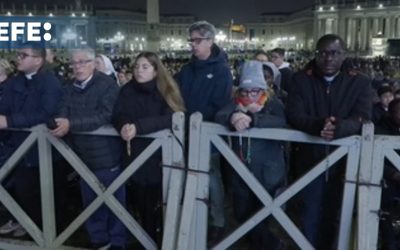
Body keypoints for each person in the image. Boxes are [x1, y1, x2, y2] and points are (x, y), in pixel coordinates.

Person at [285, 34, 372, 248]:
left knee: (338, 213)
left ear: (344, 55)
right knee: (309, 212)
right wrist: (318, 126)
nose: (328, 58)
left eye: (334, 53)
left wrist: (339, 128)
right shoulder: (300, 79)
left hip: (345, 162)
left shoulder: (360, 81)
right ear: (315, 54)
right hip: (309, 158)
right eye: (323, 53)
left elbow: (363, 117)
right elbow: (294, 114)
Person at [50, 47, 126, 250]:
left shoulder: (107, 85)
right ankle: (99, 239)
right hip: (81, 155)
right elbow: (62, 110)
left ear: (93, 63)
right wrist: (62, 122)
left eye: (83, 62)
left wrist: (70, 124)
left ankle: (118, 241)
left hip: (106, 154)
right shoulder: (68, 86)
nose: (77, 66)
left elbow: (104, 115)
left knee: (114, 202)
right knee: (91, 201)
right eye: (74, 63)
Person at [112, 51, 185, 247]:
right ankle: (148, 241)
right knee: (141, 202)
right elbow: (118, 113)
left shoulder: (166, 89)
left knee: (161, 202)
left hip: (161, 157)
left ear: (155, 70)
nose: (138, 71)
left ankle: (167, 239)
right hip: (134, 154)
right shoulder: (126, 91)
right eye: (136, 67)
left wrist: (139, 127)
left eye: (145, 67)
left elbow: (172, 116)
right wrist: (123, 125)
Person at [215, 60, 287, 249]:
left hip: (268, 172)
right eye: (245, 92)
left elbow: (281, 121)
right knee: (241, 212)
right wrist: (233, 117)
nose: (249, 96)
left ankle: (268, 244)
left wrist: (254, 118)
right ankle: (265, 242)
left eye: (254, 91)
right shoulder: (235, 104)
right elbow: (220, 115)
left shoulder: (273, 104)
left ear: (263, 90)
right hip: (241, 171)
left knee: (263, 212)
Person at [175, 20, 233, 242]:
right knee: (186, 174)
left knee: (211, 177)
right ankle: (190, 215)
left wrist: (198, 122)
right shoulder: (186, 70)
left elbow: (221, 103)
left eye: (197, 40)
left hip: (209, 133)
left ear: (210, 41)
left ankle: (217, 220)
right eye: (191, 40)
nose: (192, 45)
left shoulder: (222, 70)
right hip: (184, 133)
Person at [0, 42, 62, 237]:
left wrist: (9, 120)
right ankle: (26, 224)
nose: (18, 58)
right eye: (18, 55)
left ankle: (40, 231)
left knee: (37, 193)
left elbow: (46, 113)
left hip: (40, 150)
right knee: (19, 190)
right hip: (16, 146)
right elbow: (4, 106)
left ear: (38, 60)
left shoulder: (50, 82)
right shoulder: (14, 81)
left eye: (23, 55)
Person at [376, 98, 400, 250]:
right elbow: (374, 160)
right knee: (384, 203)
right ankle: (389, 243)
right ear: (391, 113)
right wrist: (393, 174)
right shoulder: (380, 130)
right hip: (386, 180)